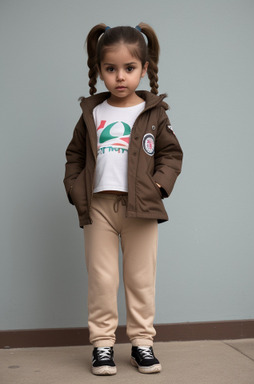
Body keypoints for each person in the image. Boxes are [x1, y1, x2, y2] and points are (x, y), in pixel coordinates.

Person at [64, 22, 183, 376]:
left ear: (144, 70)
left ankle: (142, 344)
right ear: (99, 70)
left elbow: (171, 156)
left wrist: (158, 187)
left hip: (141, 209)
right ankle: (102, 346)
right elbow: (74, 156)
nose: (120, 77)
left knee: (141, 277)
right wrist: (75, 188)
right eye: (110, 68)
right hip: (99, 207)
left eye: (129, 68)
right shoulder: (92, 114)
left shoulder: (153, 113)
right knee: (102, 279)